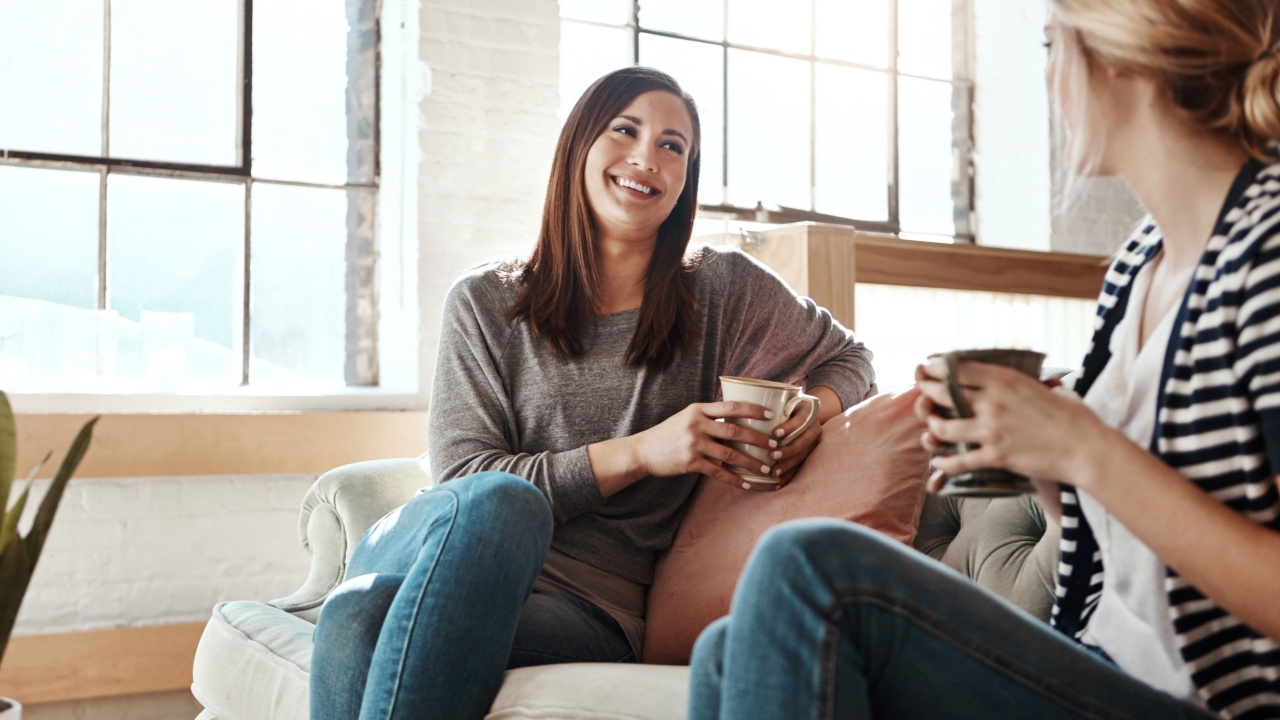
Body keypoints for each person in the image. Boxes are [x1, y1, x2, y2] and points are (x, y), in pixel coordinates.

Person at [688, 0, 1280, 718]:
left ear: (1124, 52)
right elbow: (1113, 540)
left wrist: (1085, 447)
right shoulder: (1140, 263)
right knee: (728, 648)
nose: (1049, 79)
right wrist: (1036, 454)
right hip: (1104, 662)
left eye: (1049, 45)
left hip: (1218, 702)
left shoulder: (1266, 254)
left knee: (808, 568)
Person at [309, 66, 875, 720]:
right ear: (580, 144)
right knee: (502, 504)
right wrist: (643, 453)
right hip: (438, 551)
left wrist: (815, 410)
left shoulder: (723, 290)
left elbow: (851, 359)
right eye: (626, 129)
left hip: (591, 608)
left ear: (685, 177)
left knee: (357, 616)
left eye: (673, 146)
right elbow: (463, 479)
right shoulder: (484, 302)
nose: (646, 156)